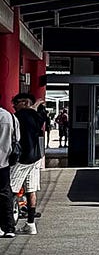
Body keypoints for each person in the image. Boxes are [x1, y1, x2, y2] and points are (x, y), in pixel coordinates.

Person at [10, 94, 47, 234]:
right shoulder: (38, 116)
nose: (14, 106)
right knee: (31, 190)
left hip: (22, 159)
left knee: (10, 190)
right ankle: (31, 224)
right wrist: (37, 105)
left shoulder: (20, 116)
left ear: (25, 103)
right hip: (35, 158)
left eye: (16, 103)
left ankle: (7, 225)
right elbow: (39, 114)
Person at [0, 104, 17, 238]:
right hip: (4, 161)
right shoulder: (10, 116)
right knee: (5, 193)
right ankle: (9, 227)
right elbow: (17, 138)